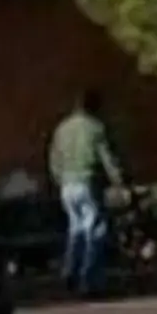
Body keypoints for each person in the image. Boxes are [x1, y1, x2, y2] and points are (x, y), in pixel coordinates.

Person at [47, 89, 126, 295]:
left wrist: (59, 178)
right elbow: (106, 157)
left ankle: (69, 270)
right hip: (87, 181)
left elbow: (54, 158)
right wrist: (118, 180)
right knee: (95, 230)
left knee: (76, 229)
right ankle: (88, 279)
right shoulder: (95, 128)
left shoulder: (62, 128)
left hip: (67, 184)